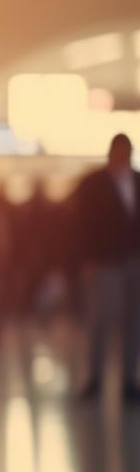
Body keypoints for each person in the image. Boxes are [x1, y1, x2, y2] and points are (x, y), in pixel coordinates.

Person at [68, 135, 140, 401]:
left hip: (134, 259)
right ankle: (95, 379)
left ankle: (129, 380)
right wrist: (87, 258)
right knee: (103, 318)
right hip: (106, 260)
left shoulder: (137, 181)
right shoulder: (93, 184)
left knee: (134, 321)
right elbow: (80, 225)